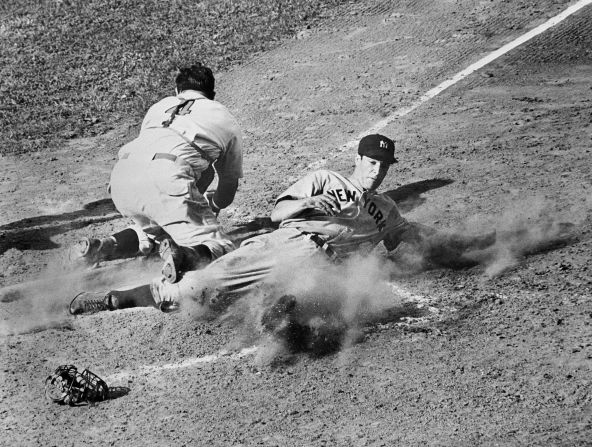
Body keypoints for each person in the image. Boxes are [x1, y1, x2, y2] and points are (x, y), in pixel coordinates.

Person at [70, 133, 445, 315]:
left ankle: (277, 320)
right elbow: (278, 215)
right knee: (199, 290)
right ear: (359, 160)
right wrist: (310, 203)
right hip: (291, 244)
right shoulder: (326, 179)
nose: (376, 171)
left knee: (308, 310)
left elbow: (408, 241)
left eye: (383, 166)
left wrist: (469, 245)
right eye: (371, 162)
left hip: (327, 270)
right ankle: (112, 300)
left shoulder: (387, 208)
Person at [70, 63, 243, 284]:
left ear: (177, 90)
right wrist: (215, 206)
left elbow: (181, 166)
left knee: (158, 227)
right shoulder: (223, 115)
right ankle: (183, 255)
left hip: (123, 176)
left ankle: (102, 247)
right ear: (212, 94)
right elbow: (228, 186)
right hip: (167, 176)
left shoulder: (160, 106)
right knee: (222, 248)